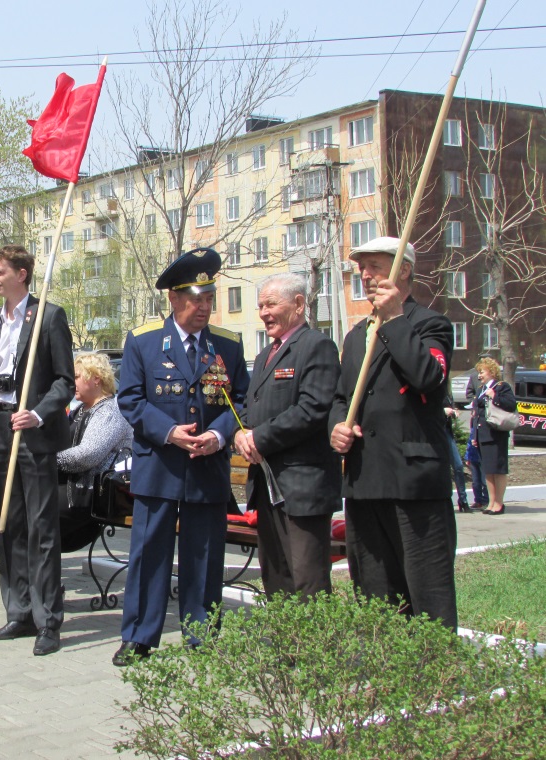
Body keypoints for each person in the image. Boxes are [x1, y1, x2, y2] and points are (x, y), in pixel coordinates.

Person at [113, 248, 250, 666]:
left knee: (204, 555)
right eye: (195, 298)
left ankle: (202, 634)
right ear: (173, 299)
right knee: (149, 552)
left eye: (209, 298)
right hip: (160, 463)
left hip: (207, 465)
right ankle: (139, 636)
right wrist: (170, 432)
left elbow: (242, 399)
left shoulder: (227, 345)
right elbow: (130, 399)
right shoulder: (144, 341)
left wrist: (218, 433)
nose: (204, 307)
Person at [329, 236, 457, 630]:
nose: (365, 275)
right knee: (373, 590)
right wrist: (337, 425)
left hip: (412, 481)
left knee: (426, 590)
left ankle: (437, 675)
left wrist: (396, 318)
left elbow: (427, 378)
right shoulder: (354, 337)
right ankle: (387, 674)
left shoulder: (429, 324)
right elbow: (341, 396)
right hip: (365, 482)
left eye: (376, 266)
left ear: (404, 269)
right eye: (361, 268)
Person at [0, 244, 75, 657]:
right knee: (7, 523)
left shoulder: (49, 315)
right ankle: (19, 611)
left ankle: (49, 621)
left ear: (21, 274)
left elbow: (65, 380)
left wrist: (39, 413)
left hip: (32, 430)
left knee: (42, 528)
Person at [233, 273, 342, 599]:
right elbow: (250, 409)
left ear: (298, 304)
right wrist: (240, 433)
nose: (264, 313)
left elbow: (312, 409)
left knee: (306, 581)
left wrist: (260, 438)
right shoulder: (267, 355)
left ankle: (313, 650)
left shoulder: (317, 346)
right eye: (260, 306)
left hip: (302, 489)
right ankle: (286, 649)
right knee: (276, 578)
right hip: (267, 490)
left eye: (271, 304)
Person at [57, 352, 133, 552]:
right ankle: (40, 578)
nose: (72, 383)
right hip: (73, 488)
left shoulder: (109, 412)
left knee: (38, 515)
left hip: (91, 495)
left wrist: (47, 460)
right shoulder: (81, 409)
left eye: (76, 377)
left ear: (96, 379)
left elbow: (87, 456)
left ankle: (44, 581)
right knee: (25, 508)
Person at [470, 357, 517, 516]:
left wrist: (494, 396)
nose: (479, 376)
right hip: (483, 435)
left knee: (498, 470)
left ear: (491, 371)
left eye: (481, 372)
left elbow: (511, 404)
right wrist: (474, 435)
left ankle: (499, 503)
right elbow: (477, 415)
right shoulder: (480, 389)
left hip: (496, 434)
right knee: (488, 470)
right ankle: (491, 502)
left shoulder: (502, 387)